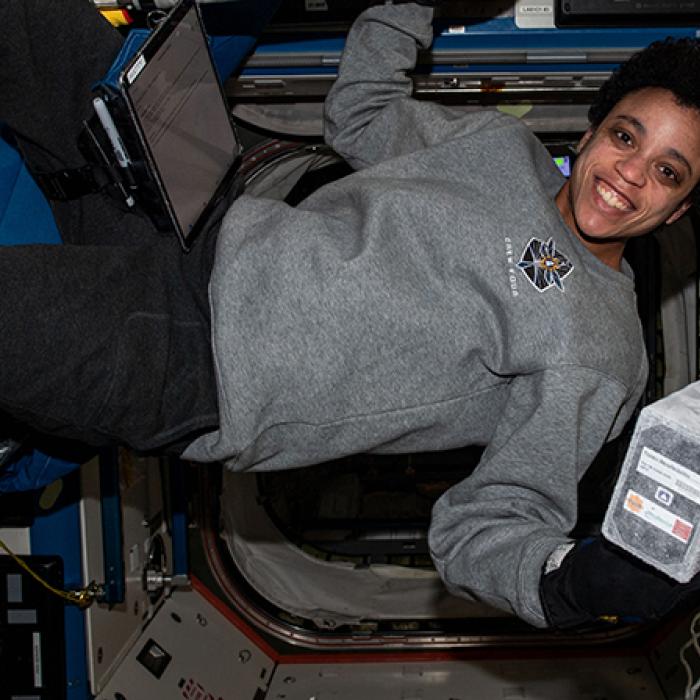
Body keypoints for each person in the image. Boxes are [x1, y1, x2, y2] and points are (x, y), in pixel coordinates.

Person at [2, 0, 700, 628]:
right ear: (590, 132)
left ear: (683, 208)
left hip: (204, 362)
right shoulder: (500, 147)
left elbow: (494, 521)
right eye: (626, 136)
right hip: (203, 211)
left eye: (669, 172)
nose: (630, 173)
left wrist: (562, 583)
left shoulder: (601, 352)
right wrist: (412, 4)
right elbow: (362, 114)